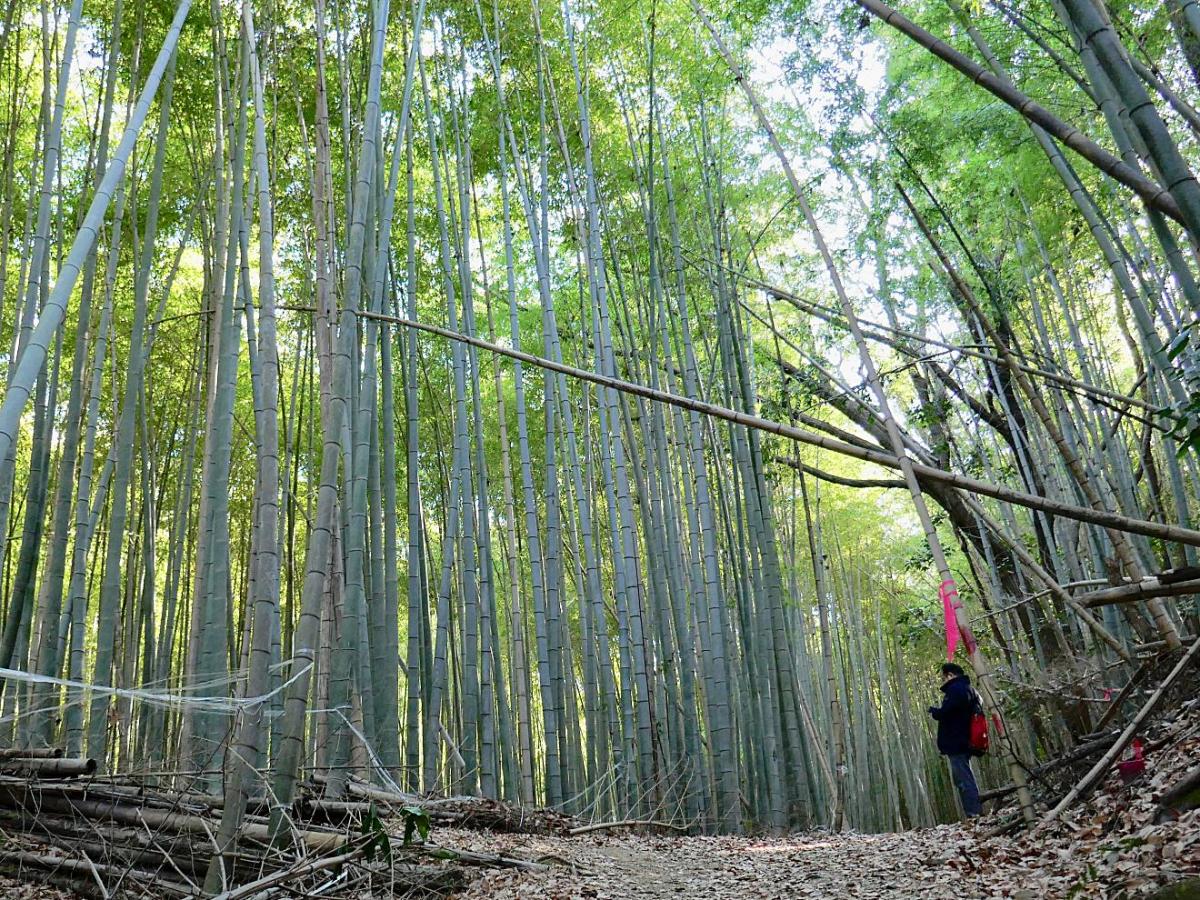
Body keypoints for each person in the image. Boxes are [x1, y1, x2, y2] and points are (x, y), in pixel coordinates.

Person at [928, 662, 983, 818]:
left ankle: (974, 814)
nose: (943, 681)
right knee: (964, 777)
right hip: (965, 740)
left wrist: (935, 712)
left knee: (963, 780)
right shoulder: (970, 689)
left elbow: (947, 712)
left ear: (950, 675)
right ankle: (974, 812)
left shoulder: (956, 689)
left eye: (943, 677)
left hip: (958, 741)